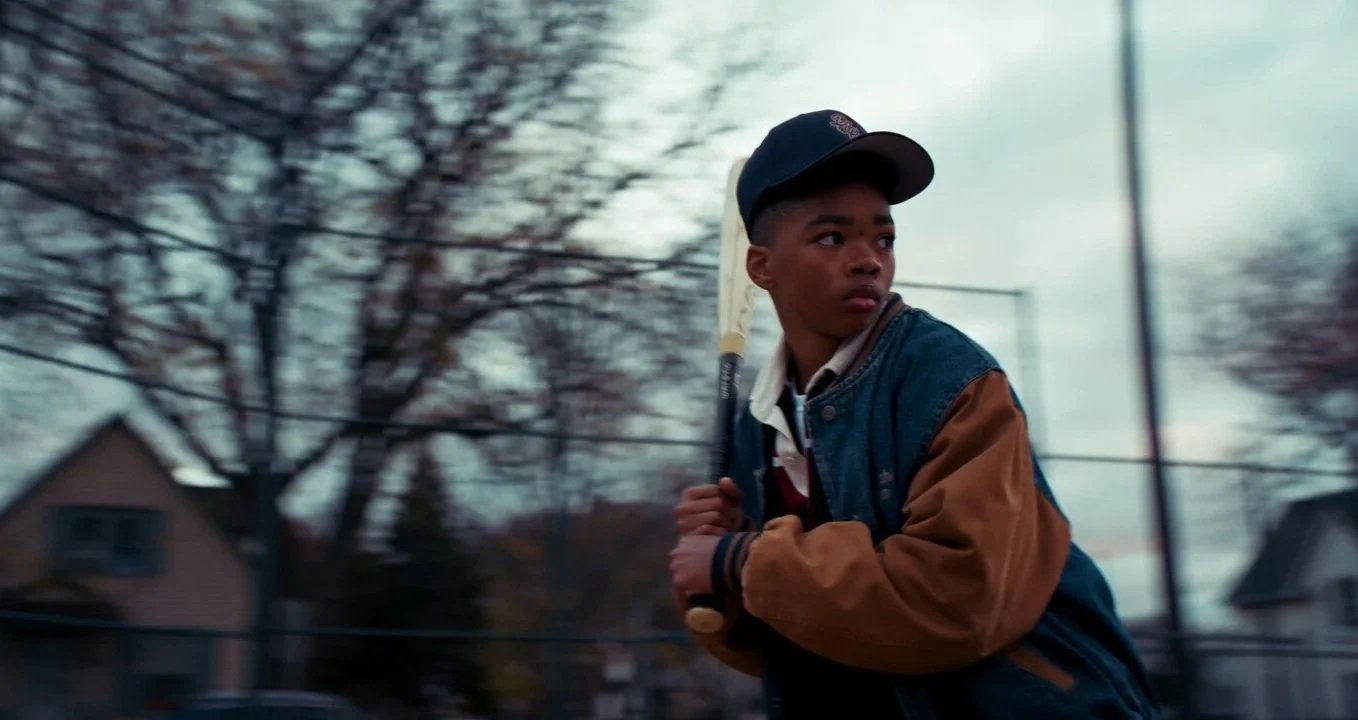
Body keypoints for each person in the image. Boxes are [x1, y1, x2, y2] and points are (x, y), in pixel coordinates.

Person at [668, 110, 1159, 719]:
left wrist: (742, 559)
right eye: (832, 238)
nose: (869, 260)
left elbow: (957, 600)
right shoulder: (758, 428)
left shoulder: (950, 377)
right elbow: (776, 640)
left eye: (884, 239)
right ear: (762, 267)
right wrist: (714, 570)